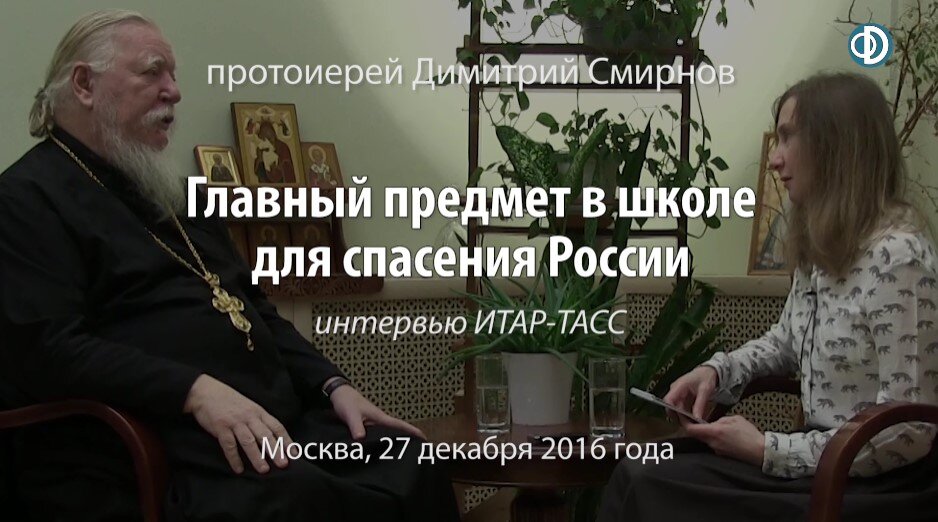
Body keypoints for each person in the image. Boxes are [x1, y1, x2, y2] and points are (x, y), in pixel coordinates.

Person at [0, 10, 458, 522]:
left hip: (267, 425)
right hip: (153, 449)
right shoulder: (25, 200)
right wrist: (193, 391)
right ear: (85, 84)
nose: (174, 91)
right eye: (153, 72)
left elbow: (254, 307)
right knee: (300, 498)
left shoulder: (176, 197)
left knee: (411, 458)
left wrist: (333, 385)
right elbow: (50, 350)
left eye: (174, 74)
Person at [599, 72, 938, 521]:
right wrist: (717, 371)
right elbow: (784, 343)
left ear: (835, 146)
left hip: (877, 485)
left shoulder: (900, 257)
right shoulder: (823, 249)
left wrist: (767, 449)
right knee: (641, 469)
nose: (775, 159)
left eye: (787, 138)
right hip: (815, 462)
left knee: (654, 486)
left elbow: (910, 431)